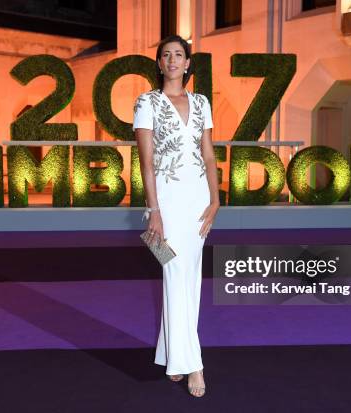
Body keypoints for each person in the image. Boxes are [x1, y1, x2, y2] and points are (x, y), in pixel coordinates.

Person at [132, 34, 220, 398]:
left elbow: (210, 155)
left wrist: (215, 200)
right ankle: (193, 364)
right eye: (166, 54)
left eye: (178, 54)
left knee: (190, 281)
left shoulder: (201, 103)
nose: (172, 59)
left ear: (187, 64)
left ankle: (172, 355)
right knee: (174, 275)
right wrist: (154, 211)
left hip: (198, 201)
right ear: (159, 63)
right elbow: (146, 162)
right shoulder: (147, 102)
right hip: (166, 203)